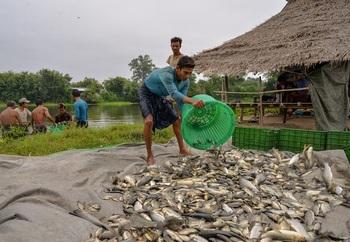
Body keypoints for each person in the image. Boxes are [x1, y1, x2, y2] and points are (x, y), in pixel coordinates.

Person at [139, 56, 204, 165]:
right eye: (185, 72)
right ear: (178, 68)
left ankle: (182, 149)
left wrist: (186, 116)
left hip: (160, 96)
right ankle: (150, 155)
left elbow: (180, 100)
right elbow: (174, 94)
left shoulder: (186, 82)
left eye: (190, 73)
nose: (187, 76)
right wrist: (193, 101)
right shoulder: (167, 74)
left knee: (177, 120)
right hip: (146, 93)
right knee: (149, 121)